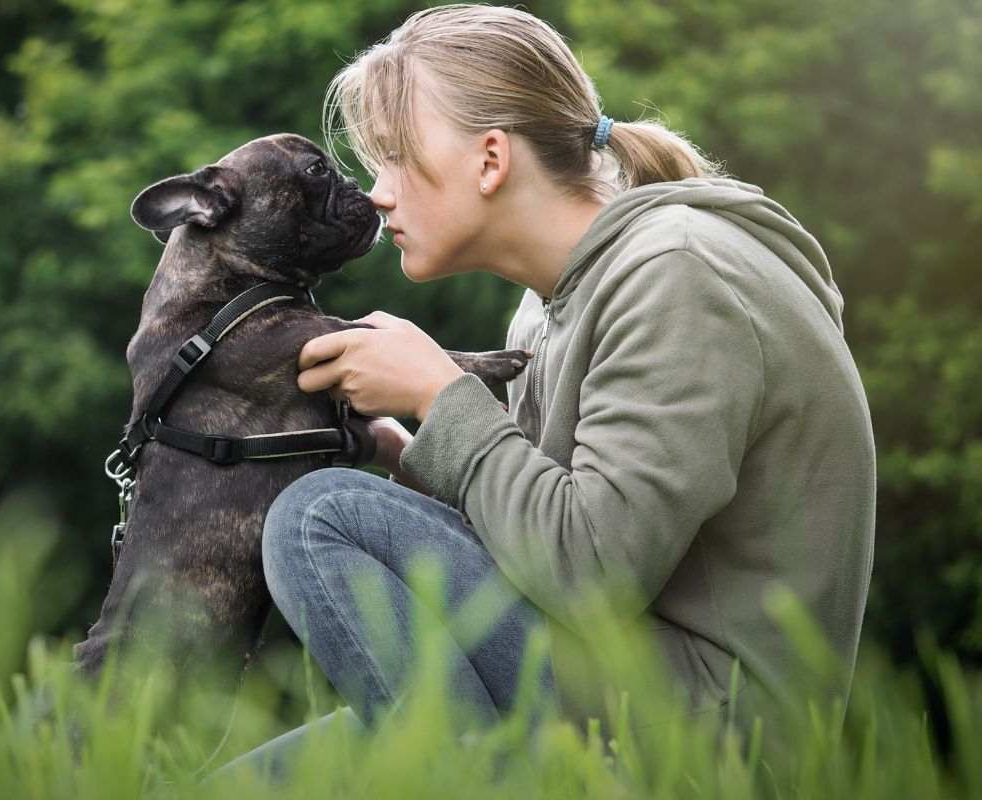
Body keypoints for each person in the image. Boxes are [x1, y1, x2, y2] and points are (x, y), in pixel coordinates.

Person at [206, 3, 875, 783]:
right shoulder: (552, 300)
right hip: (607, 682)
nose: (378, 193)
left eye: (392, 157)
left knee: (321, 518)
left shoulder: (681, 276)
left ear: (491, 159)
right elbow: (522, 547)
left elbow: (593, 574)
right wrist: (403, 453)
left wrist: (443, 395)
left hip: (711, 736)